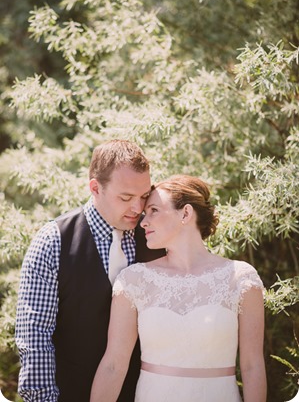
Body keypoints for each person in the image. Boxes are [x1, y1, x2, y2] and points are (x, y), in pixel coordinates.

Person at [90, 174, 267, 402]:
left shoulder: (241, 279)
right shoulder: (134, 280)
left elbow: (252, 366)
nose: (143, 221)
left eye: (153, 210)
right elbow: (113, 365)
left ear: (185, 213)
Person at [15, 139, 165, 402]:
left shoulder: (157, 237)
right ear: (95, 188)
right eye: (126, 197)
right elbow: (35, 336)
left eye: (143, 197)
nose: (137, 208)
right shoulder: (54, 241)